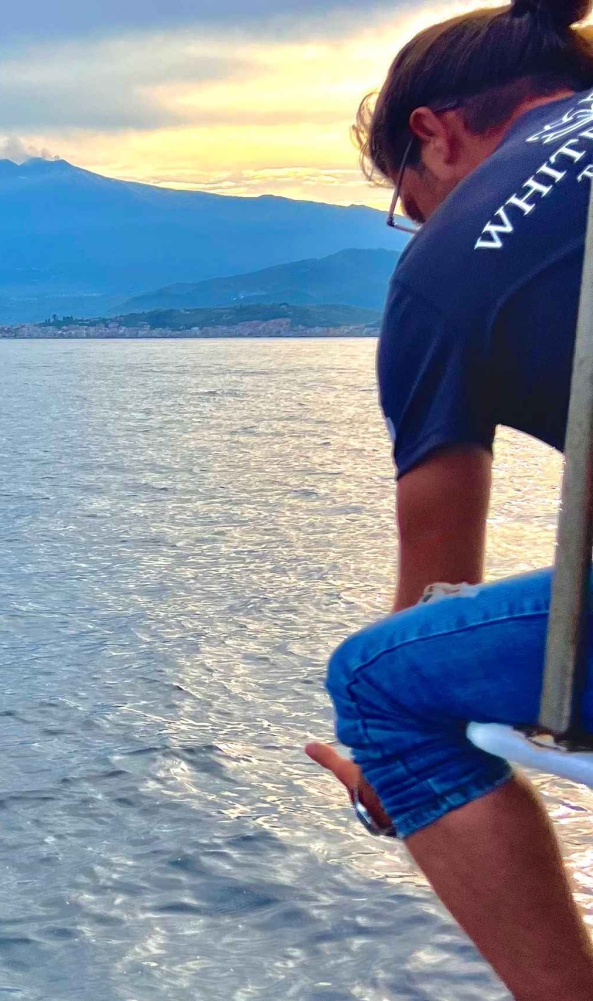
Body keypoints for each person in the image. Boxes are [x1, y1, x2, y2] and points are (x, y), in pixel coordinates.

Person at [306, 1, 593, 997]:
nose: (417, 224)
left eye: (407, 198)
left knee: (384, 686)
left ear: (434, 133)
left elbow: (437, 590)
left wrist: (399, 782)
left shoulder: (443, 267)